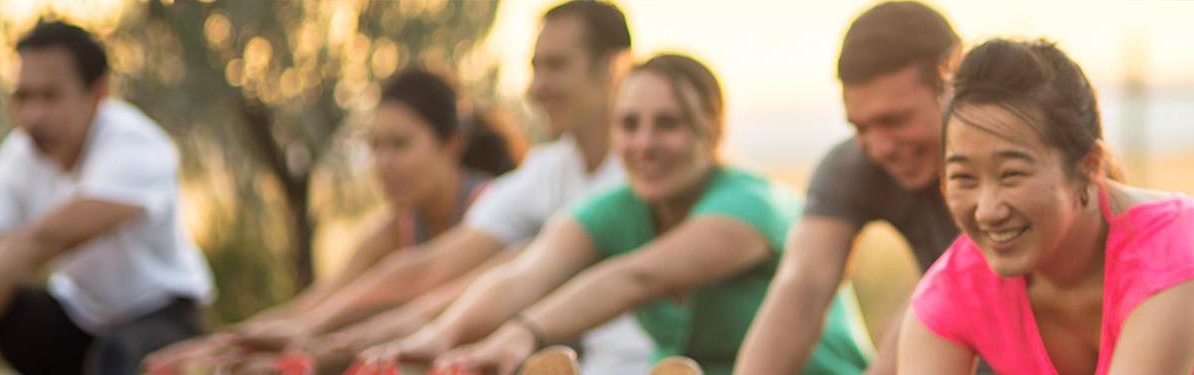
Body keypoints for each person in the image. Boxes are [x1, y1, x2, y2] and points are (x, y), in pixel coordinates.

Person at [208, 1, 656, 373]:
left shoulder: (647, 175)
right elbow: (428, 268)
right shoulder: (550, 169)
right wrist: (293, 329)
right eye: (534, 68)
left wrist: (322, 341)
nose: (537, 87)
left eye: (556, 66)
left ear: (615, 68)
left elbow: (482, 283)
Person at [357, 54, 870, 375]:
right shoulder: (619, 207)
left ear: (712, 130)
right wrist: (437, 339)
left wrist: (521, 334)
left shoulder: (750, 205)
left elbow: (637, 277)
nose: (644, 144)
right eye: (630, 124)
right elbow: (525, 274)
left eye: (667, 124)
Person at [897, 39, 1194, 374]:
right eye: (964, 178)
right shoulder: (954, 288)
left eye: (1011, 174)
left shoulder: (1172, 257)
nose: (987, 210)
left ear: (1087, 167)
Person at [140, 68, 515, 373]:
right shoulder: (396, 227)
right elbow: (321, 299)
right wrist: (217, 346)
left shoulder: (493, 209)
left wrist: (311, 345)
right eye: (375, 147)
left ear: (451, 144)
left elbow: (426, 291)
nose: (383, 164)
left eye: (400, 145)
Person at [0, 21, 215, 375]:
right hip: (80, 316)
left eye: (50, 96)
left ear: (97, 94)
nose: (33, 115)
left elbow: (45, 239)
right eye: (23, 97)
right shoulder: (24, 152)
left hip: (160, 316)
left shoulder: (136, 145)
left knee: (121, 357)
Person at [737, 2, 962, 373]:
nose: (880, 147)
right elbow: (802, 288)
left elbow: (942, 296)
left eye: (895, 119)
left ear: (953, 85)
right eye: (861, 127)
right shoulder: (855, 166)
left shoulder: (1018, 166)